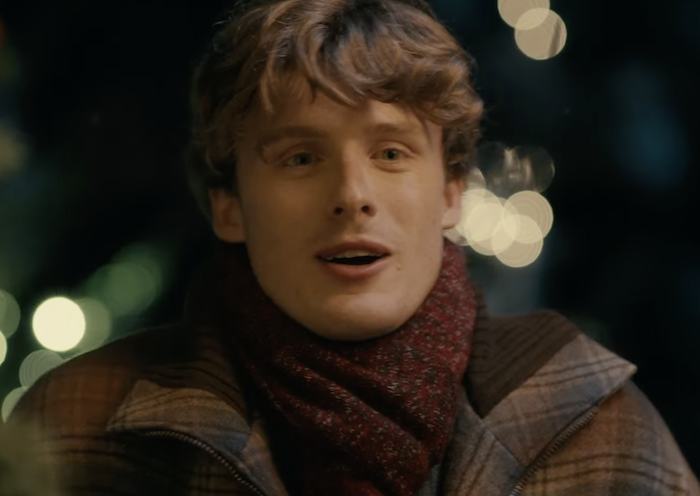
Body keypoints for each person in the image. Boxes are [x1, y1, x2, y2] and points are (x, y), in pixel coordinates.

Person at [8, 0, 700, 494]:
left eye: (392, 152)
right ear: (229, 204)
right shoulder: (83, 426)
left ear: (451, 190)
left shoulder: (596, 431)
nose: (352, 195)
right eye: (300, 158)